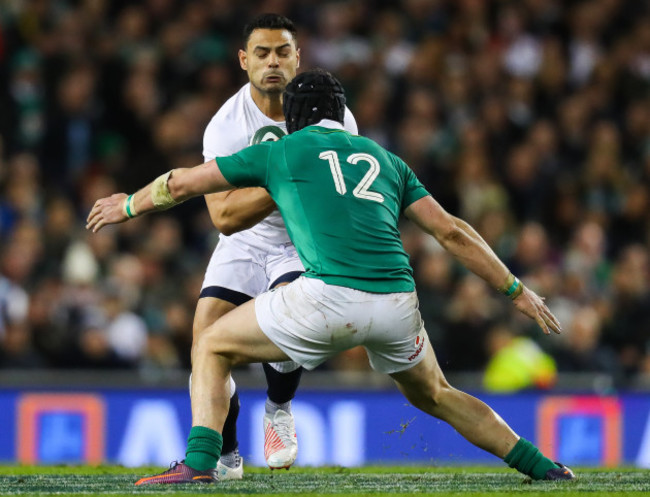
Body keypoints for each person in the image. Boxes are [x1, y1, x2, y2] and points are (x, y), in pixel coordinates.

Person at [87, 69, 575, 485]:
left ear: (294, 116)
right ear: (342, 115)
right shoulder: (386, 160)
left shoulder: (284, 150)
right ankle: (541, 467)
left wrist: (128, 205)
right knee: (438, 394)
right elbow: (452, 233)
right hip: (397, 304)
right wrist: (515, 289)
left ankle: (201, 464)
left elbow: (183, 183)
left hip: (328, 299)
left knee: (211, 344)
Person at [193, 14, 358, 478]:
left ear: (298, 57)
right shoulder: (226, 125)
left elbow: (341, 190)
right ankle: (227, 454)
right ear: (244, 61)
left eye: (283, 52)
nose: (273, 62)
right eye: (262, 53)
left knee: (287, 324)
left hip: (301, 236)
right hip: (244, 240)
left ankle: (278, 408)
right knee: (203, 337)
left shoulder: (335, 113)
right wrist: (284, 180)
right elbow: (224, 217)